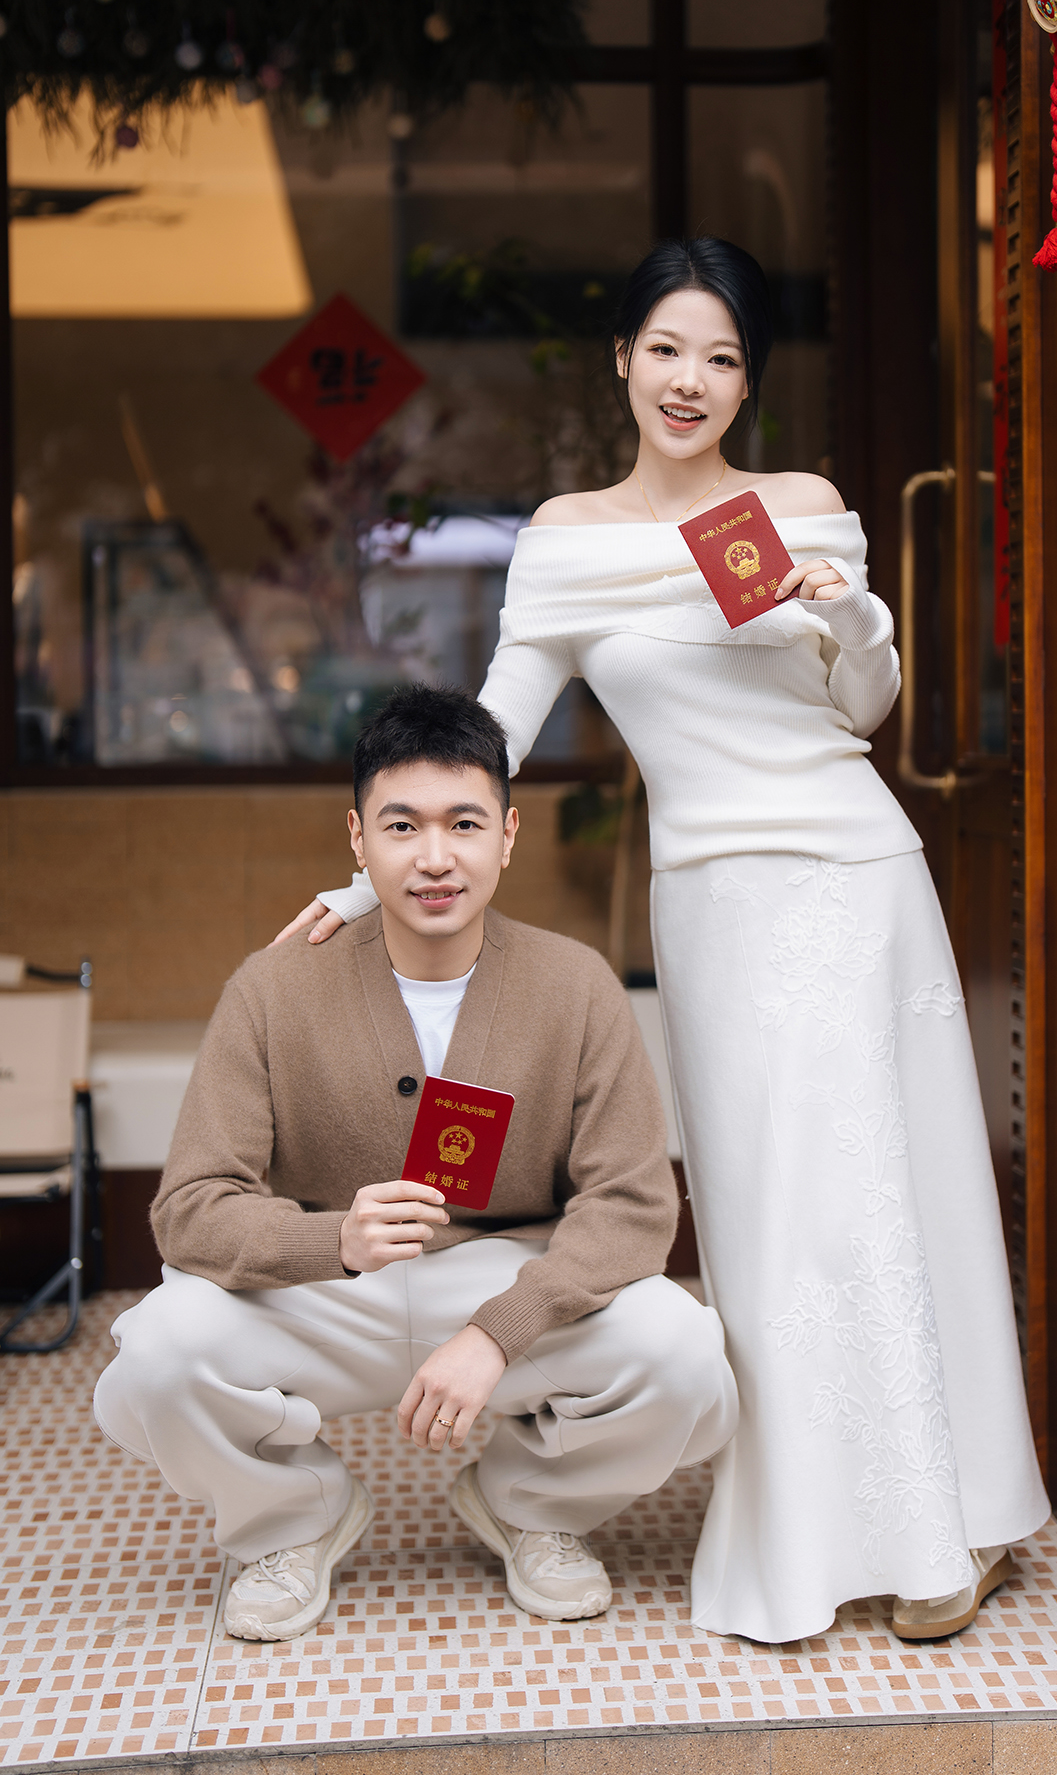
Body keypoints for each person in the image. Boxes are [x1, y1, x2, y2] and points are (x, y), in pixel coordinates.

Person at [280, 238, 1050, 1646]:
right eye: (669, 350)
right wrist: (373, 873)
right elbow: (497, 727)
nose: (692, 380)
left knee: (897, 1193)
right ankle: (817, 1530)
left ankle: (957, 1522)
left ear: (748, 383)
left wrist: (850, 616)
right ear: (624, 361)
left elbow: (864, 707)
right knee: (771, 1217)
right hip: (719, 907)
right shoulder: (568, 542)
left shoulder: (801, 506)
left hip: (858, 875)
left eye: (724, 358)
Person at [95, 684, 737, 1643]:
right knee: (156, 1352)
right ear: (358, 840)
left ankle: (533, 1504)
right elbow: (189, 1206)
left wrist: (499, 1331)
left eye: (463, 823)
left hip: (507, 1278)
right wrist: (333, 1242)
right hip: (327, 1290)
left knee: (681, 1352)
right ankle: (293, 1519)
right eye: (402, 825)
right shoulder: (272, 989)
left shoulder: (575, 986)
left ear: (507, 835)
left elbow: (634, 1205)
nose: (435, 857)